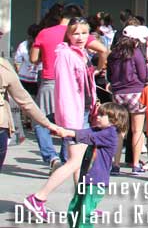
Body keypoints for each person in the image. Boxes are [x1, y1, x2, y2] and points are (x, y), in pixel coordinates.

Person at [26, 19, 98, 209]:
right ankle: (39, 197)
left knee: (79, 161)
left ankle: (82, 203)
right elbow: (66, 89)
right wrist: (69, 120)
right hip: (73, 114)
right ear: (68, 34)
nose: (80, 37)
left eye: (84, 33)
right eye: (76, 33)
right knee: (75, 162)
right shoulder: (65, 54)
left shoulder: (80, 53)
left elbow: (85, 84)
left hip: (83, 111)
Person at [24, 103, 129, 226]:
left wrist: (69, 134)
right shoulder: (98, 129)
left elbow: (89, 137)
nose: (98, 117)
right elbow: (83, 132)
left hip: (97, 181)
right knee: (75, 208)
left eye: (102, 115)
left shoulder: (110, 133)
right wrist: (65, 132)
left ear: (114, 120)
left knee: (85, 212)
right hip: (86, 178)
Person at [31, 5, 108, 171]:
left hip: (49, 81)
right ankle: (67, 158)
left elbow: (33, 58)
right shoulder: (80, 34)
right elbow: (103, 49)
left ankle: (52, 156)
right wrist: (98, 69)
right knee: (74, 123)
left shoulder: (46, 33)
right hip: (78, 89)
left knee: (41, 121)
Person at [0, 57, 63, 173]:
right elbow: (24, 100)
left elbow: (24, 100)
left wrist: (46, 123)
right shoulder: (3, 66)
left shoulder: (4, 67)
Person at [106, 29, 148, 174]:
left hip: (118, 93)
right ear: (135, 40)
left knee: (119, 130)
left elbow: (109, 75)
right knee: (137, 130)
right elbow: (143, 75)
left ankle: (115, 164)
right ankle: (135, 165)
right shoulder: (136, 53)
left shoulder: (113, 54)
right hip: (136, 92)